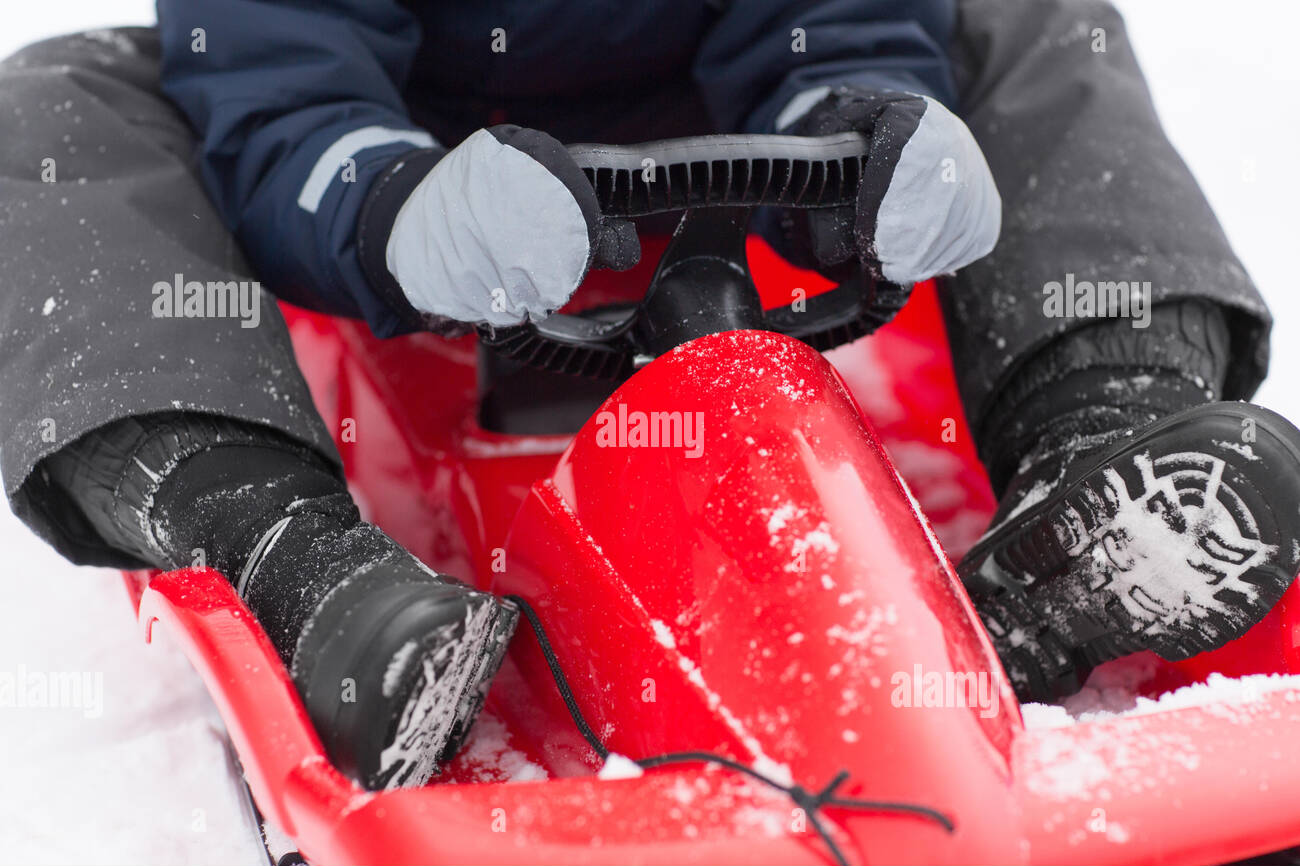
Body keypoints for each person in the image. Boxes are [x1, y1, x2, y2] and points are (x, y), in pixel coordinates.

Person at [1, 1, 1296, 790]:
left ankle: (1105, 429)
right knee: (61, 100)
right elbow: (277, 79)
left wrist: (862, 127)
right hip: (407, 144)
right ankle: (289, 557)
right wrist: (383, 203)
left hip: (719, 113)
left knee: (1028, 16)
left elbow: (827, 13)